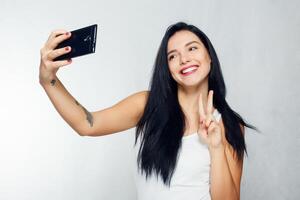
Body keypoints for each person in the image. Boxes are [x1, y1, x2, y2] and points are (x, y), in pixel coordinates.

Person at [39, 22, 257, 200]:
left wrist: (216, 147)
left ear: (209, 56)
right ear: (168, 68)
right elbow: (87, 124)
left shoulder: (228, 124)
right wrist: (48, 80)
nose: (184, 59)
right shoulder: (148, 105)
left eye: (192, 48)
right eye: (172, 56)